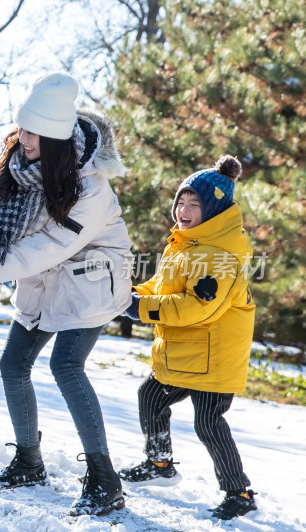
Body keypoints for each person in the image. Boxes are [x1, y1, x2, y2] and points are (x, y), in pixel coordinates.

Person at [0, 71, 134, 516]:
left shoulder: (90, 186)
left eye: (33, 132)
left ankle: (105, 480)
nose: (23, 137)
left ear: (55, 139)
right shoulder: (7, 165)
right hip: (41, 282)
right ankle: (29, 462)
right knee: (13, 365)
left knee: (66, 366)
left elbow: (44, 248)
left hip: (90, 284)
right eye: (22, 127)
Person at [120, 155, 257, 521]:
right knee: (150, 395)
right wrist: (129, 294)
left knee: (209, 423)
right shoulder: (184, 244)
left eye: (194, 204)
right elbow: (164, 286)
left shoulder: (219, 255)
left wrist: (140, 308)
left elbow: (197, 307)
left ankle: (239, 492)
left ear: (212, 210)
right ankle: (160, 463)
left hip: (215, 354)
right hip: (188, 352)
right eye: (181, 201)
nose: (183, 209)